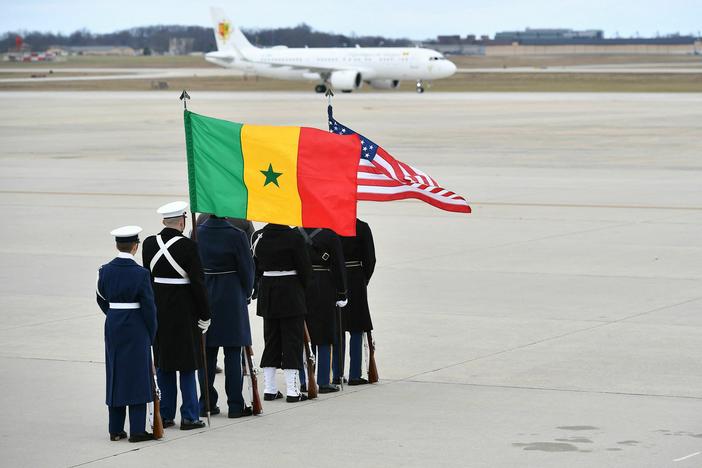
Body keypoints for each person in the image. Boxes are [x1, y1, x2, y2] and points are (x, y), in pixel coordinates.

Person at [142, 201, 210, 430]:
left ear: (164, 222)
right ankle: (190, 416)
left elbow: (148, 279)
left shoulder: (150, 244)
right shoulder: (190, 246)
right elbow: (198, 284)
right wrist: (205, 314)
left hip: (159, 310)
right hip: (184, 311)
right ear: (182, 222)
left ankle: (167, 414)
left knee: (165, 364)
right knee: (188, 366)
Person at [96, 225, 157, 443]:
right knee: (138, 376)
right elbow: (149, 307)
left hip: (113, 324)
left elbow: (101, 298)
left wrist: (114, 314)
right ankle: (137, 430)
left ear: (117, 245)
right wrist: (151, 333)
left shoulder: (104, 270)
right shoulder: (141, 274)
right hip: (136, 327)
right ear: (135, 247)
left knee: (116, 374)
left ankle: (115, 429)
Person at [196, 214, 255, 418]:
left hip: (206, 294)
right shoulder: (236, 234)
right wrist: (247, 292)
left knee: (208, 353)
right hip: (231, 295)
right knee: (232, 352)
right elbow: (247, 268)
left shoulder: (198, 231)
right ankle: (236, 405)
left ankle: (206, 402)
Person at [252, 223, 312, 403]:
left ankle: (270, 389)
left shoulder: (258, 236)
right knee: (292, 341)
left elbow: (255, 267)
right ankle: (293, 391)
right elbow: (305, 269)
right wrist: (303, 289)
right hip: (291, 291)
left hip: (268, 292)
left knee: (271, 340)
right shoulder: (294, 237)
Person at [296, 227, 347, 394]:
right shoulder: (330, 235)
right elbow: (339, 265)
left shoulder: (295, 233)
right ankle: (323, 380)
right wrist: (342, 292)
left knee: (304, 335)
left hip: (301, 286)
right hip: (324, 285)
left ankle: (303, 380)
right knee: (324, 333)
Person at [336, 218, 376, 386]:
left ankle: (336, 373)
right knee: (357, 328)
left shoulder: (332, 226)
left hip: (336, 279)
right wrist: (363, 279)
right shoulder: (362, 227)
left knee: (338, 328)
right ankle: (354, 374)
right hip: (356, 278)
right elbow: (370, 259)